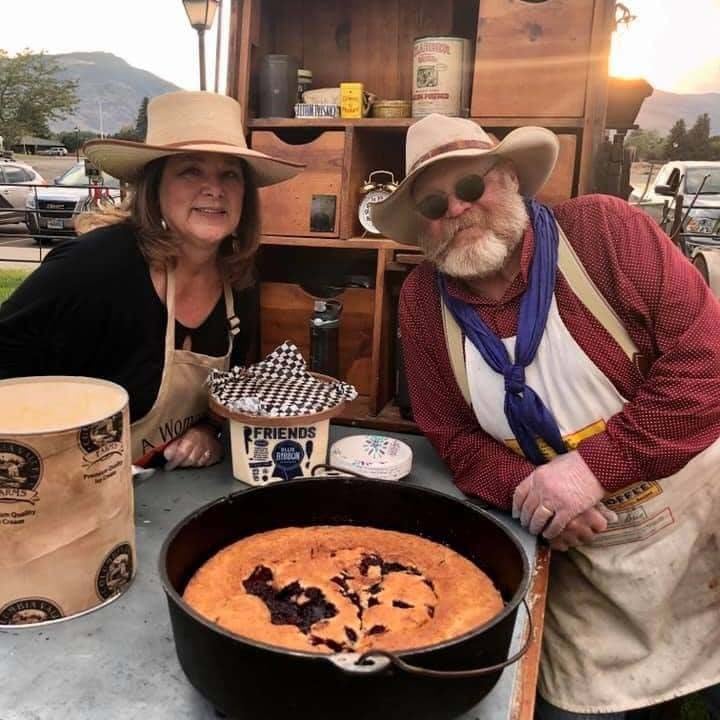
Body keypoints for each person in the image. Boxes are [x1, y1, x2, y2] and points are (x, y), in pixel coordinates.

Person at [371, 114, 720, 719]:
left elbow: (707, 360)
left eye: (471, 187)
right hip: (580, 543)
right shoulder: (423, 302)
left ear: (508, 179)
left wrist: (592, 470)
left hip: (697, 516)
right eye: (433, 200)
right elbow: (450, 433)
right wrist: (530, 492)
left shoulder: (603, 233)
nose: (455, 209)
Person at [0, 90, 303, 470]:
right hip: (70, 494)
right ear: (154, 187)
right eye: (191, 170)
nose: (215, 188)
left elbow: (231, 391)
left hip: (163, 496)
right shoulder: (94, 266)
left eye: (230, 174)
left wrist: (208, 431)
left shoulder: (238, 280)